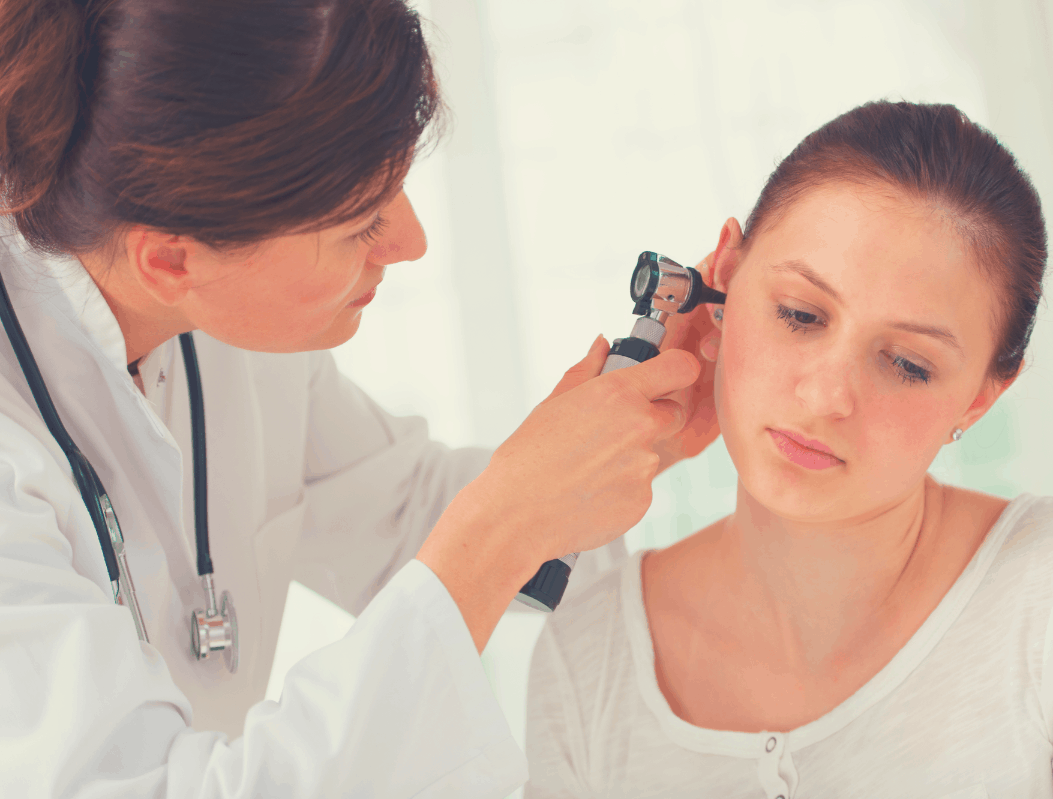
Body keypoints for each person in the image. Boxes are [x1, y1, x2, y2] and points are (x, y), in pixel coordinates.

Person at [0, 1, 720, 796]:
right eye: (360, 221)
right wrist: (509, 521)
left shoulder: (221, 317)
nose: (411, 242)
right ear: (171, 261)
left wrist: (644, 422)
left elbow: (401, 514)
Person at [524, 101, 1053, 798]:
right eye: (799, 315)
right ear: (723, 275)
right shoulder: (589, 656)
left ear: (978, 398)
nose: (826, 397)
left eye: (907, 362)